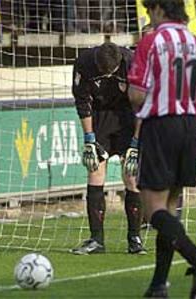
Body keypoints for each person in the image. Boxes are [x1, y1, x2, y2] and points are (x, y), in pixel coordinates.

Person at [127, 0, 196, 297]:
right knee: (170, 208)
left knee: (152, 207)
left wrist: (141, 97)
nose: (148, 16)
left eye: (148, 10)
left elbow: (136, 94)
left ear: (157, 9)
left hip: (161, 125)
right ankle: (159, 285)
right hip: (191, 128)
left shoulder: (151, 42)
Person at [70, 41, 146, 255]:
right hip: (100, 117)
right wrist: (89, 139)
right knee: (95, 171)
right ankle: (96, 241)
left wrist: (135, 143)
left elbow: (142, 105)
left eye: (109, 72)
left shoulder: (133, 63)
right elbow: (82, 102)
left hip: (128, 117)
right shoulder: (84, 63)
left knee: (131, 175)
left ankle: (135, 239)